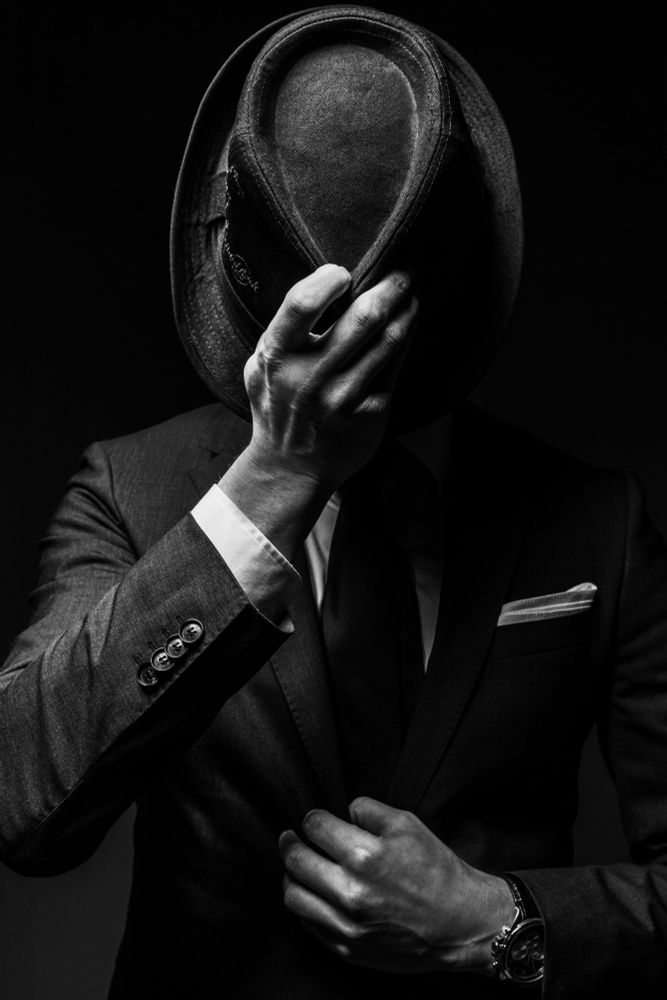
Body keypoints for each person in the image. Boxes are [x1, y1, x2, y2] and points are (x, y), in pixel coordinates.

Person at [1, 6, 667, 998]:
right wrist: (274, 477)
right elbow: (26, 805)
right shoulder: (130, 490)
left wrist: (502, 922)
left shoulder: (595, 523)